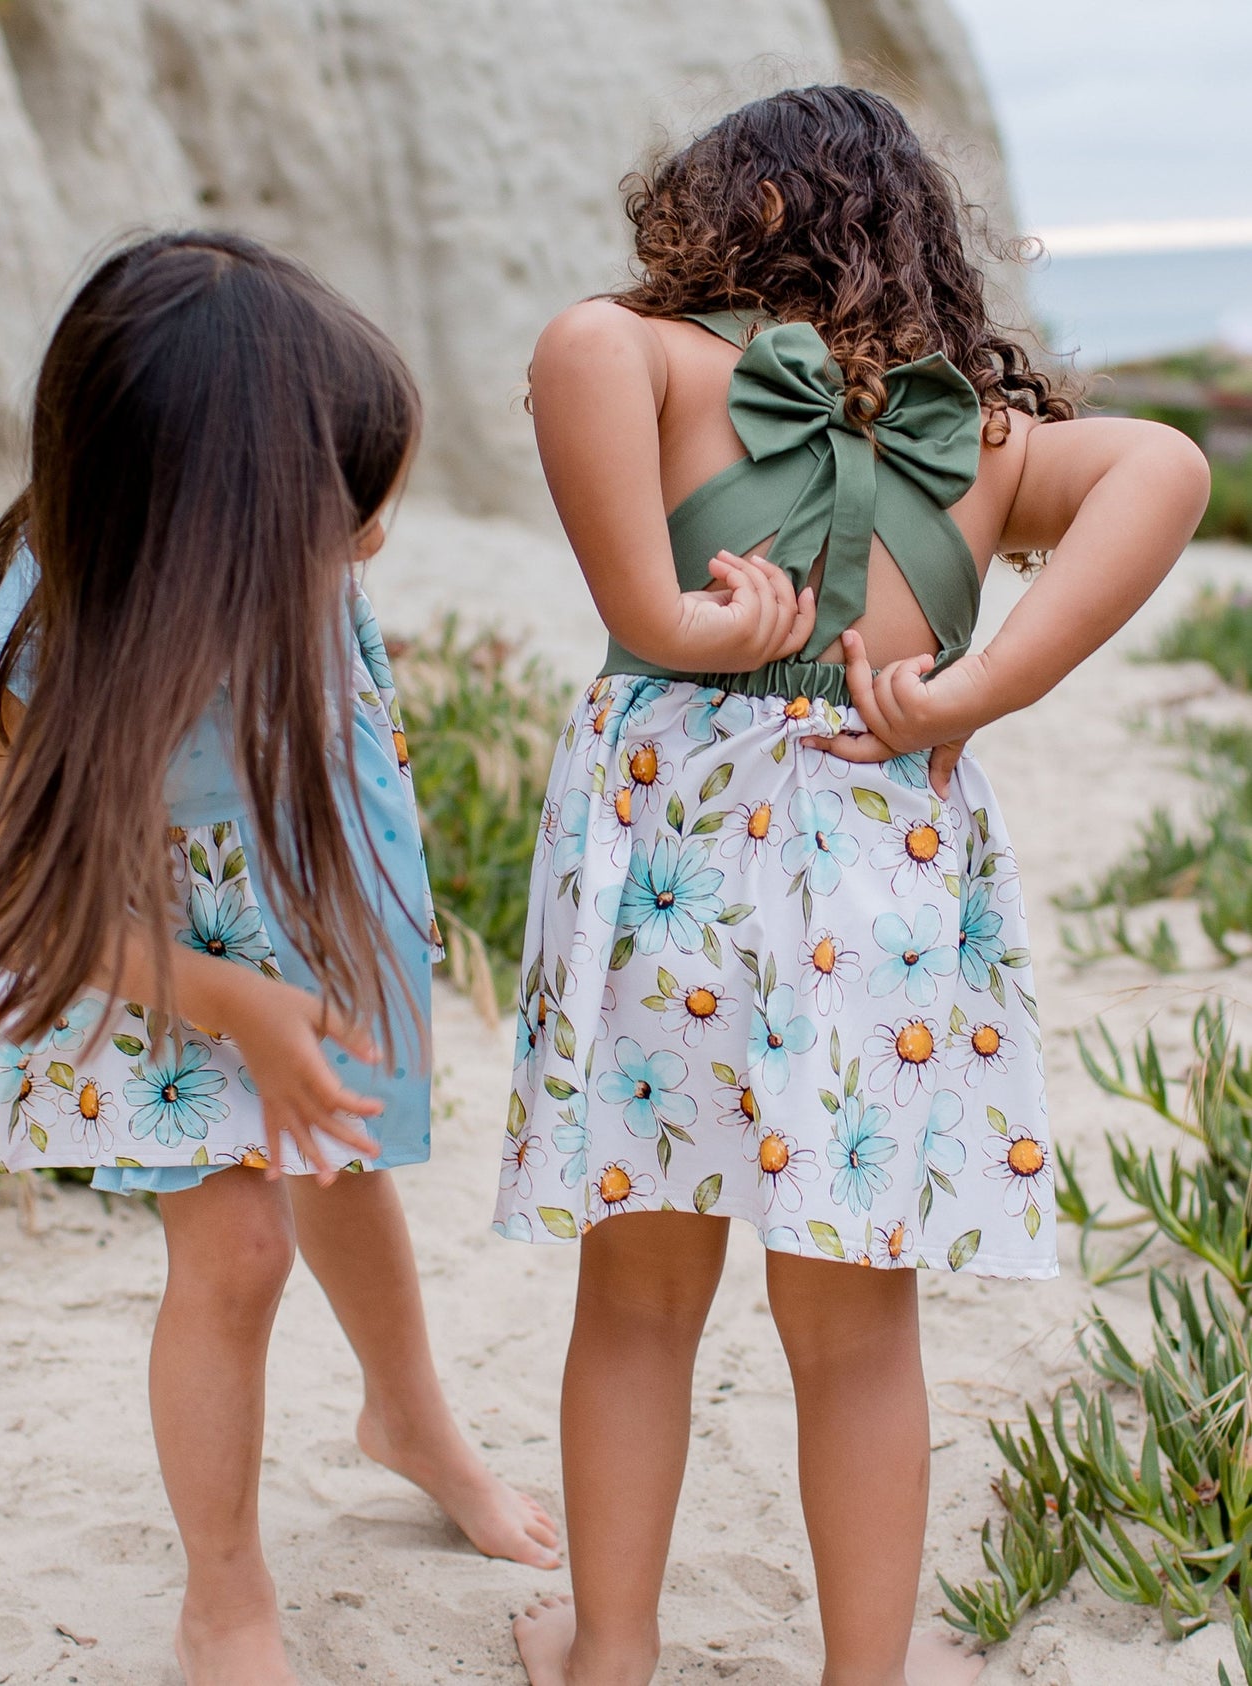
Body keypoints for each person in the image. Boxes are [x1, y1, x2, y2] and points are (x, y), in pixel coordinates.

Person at [495, 86, 1209, 1686]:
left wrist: (683, 630)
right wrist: (974, 687)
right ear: (919, 243)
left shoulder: (661, 358)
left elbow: (577, 357)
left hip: (675, 874)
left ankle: (608, 1651)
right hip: (870, 867)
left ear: (727, 209)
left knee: (635, 1294)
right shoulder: (977, 440)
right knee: (858, 1326)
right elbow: (1162, 464)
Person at [0, 230, 558, 1686]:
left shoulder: (277, 558)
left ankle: (410, 1419)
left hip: (287, 913)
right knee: (242, 1247)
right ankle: (225, 1590)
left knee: (343, 1164)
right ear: (202, 523)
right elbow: (28, 897)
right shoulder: (51, 642)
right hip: (132, 958)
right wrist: (225, 1000)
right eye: (344, 512)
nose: (372, 537)